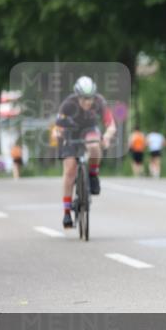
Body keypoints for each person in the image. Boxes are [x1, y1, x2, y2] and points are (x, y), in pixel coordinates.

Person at [55, 77, 116, 229]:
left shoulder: (99, 102)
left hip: (89, 131)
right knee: (69, 171)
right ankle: (67, 212)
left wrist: (107, 137)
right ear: (77, 95)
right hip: (71, 133)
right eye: (84, 99)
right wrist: (60, 136)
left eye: (90, 98)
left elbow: (111, 125)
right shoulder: (68, 104)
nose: (88, 102)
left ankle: (93, 175)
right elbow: (58, 127)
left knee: (95, 146)